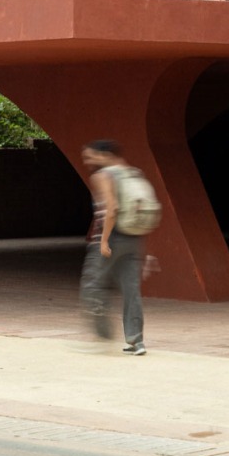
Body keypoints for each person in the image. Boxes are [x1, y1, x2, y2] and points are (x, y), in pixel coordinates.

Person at [79, 139, 146, 355]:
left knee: (91, 285)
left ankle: (104, 333)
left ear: (104, 154)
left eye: (91, 156)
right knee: (131, 291)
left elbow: (112, 208)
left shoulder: (103, 176)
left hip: (112, 238)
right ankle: (136, 341)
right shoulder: (132, 173)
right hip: (133, 237)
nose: (88, 161)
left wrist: (104, 240)